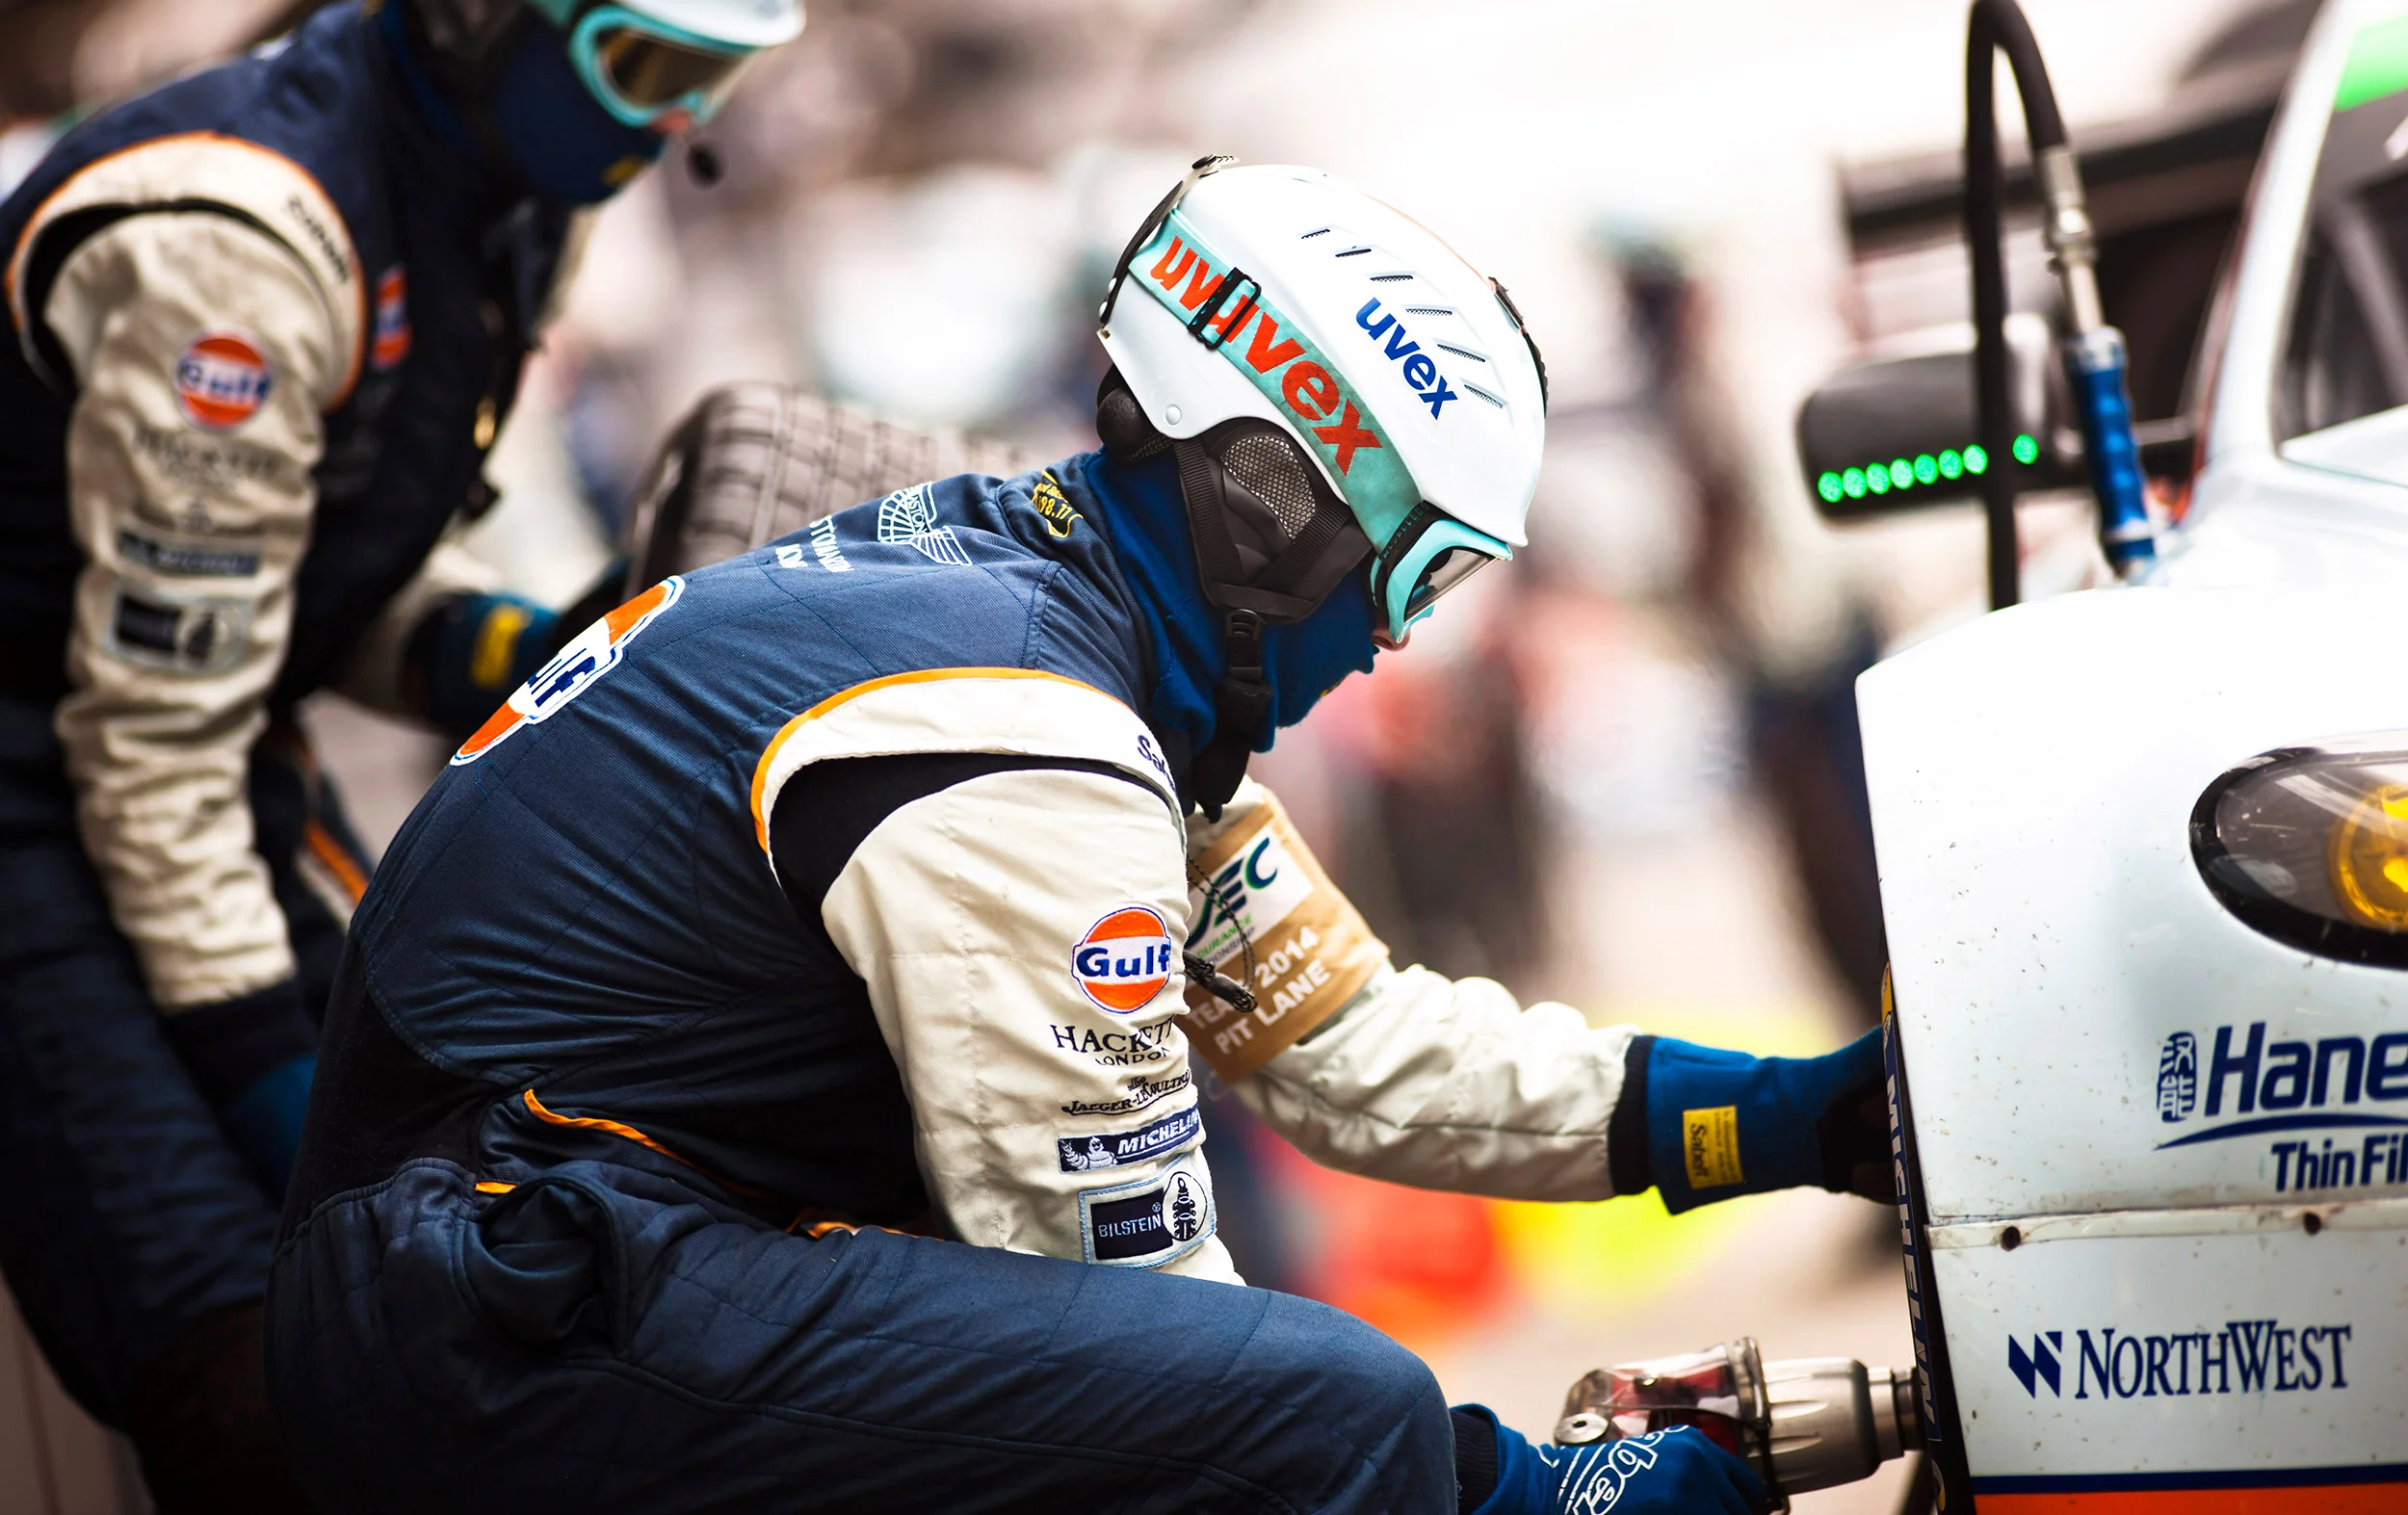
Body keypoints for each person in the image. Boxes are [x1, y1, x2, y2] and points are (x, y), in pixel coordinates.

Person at [266, 158, 1887, 1515]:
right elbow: (1155, 1335)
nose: (1397, 637)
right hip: (499, 1307)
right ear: (1268, 502)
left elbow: (1355, 1049)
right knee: (1338, 1403)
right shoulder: (1027, 731)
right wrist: (1532, 1490)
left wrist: (1792, 1118)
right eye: (1408, 569)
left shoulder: (1077, 651)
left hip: (545, 1266)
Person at [0, 0, 809, 1507]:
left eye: (711, 81)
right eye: (646, 67)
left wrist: (524, 647)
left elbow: (301, 582)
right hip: (46, 806)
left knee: (444, 1304)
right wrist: (313, 1125)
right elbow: (150, 745)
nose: (671, 132)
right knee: (253, 1373)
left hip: (207, 768)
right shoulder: (240, 251)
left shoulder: (510, 198)